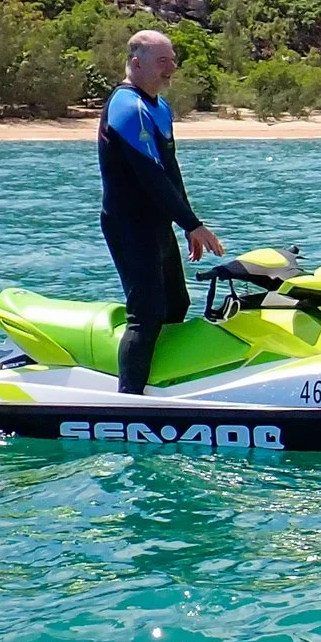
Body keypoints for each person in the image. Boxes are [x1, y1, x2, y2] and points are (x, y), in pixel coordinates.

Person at [99, 31, 225, 394]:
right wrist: (192, 223)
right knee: (147, 312)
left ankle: (160, 380)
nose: (172, 68)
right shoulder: (127, 106)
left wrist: (188, 224)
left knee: (177, 302)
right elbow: (149, 175)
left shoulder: (160, 107)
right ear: (136, 63)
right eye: (163, 61)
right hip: (128, 224)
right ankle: (129, 401)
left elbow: (170, 171)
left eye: (173, 59)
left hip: (156, 223)